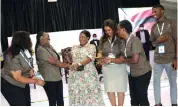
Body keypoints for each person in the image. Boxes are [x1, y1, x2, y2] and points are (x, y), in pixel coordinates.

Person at [1, 31, 44, 106]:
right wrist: (35, 81)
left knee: (27, 104)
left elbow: (30, 66)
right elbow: (17, 77)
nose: (30, 41)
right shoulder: (12, 55)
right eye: (28, 39)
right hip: (10, 84)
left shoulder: (26, 51)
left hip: (23, 83)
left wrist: (34, 76)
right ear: (23, 41)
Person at [117, 20, 152, 106]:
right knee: (133, 98)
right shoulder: (122, 41)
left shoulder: (135, 40)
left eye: (118, 29)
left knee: (142, 97)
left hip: (142, 72)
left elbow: (135, 60)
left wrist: (124, 60)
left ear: (123, 30)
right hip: (131, 73)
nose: (117, 31)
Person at [68, 30, 105, 106]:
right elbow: (71, 58)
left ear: (88, 38)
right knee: (77, 93)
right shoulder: (74, 47)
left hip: (88, 74)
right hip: (75, 75)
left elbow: (90, 58)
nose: (81, 38)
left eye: (83, 37)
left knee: (90, 93)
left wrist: (78, 64)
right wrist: (70, 64)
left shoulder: (91, 47)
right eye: (80, 37)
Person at [150, 4, 177, 106]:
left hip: (171, 59)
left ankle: (174, 103)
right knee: (156, 82)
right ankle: (158, 103)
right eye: (152, 12)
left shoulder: (171, 23)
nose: (153, 14)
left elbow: (176, 40)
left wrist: (176, 58)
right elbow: (152, 43)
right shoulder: (153, 27)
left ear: (162, 11)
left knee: (172, 83)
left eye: (155, 11)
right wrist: (158, 40)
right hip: (158, 60)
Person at [97, 19, 128, 106]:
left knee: (120, 89)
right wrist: (99, 58)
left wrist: (113, 60)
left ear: (114, 29)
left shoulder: (120, 39)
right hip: (107, 68)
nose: (107, 32)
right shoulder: (102, 39)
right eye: (105, 30)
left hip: (119, 67)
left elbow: (123, 54)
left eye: (109, 30)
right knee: (110, 90)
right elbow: (100, 51)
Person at [35, 31, 70, 106]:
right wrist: (69, 65)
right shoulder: (40, 50)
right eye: (47, 38)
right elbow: (55, 62)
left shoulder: (49, 46)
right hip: (49, 80)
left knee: (60, 99)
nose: (49, 40)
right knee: (53, 101)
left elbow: (56, 57)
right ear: (41, 38)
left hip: (57, 77)